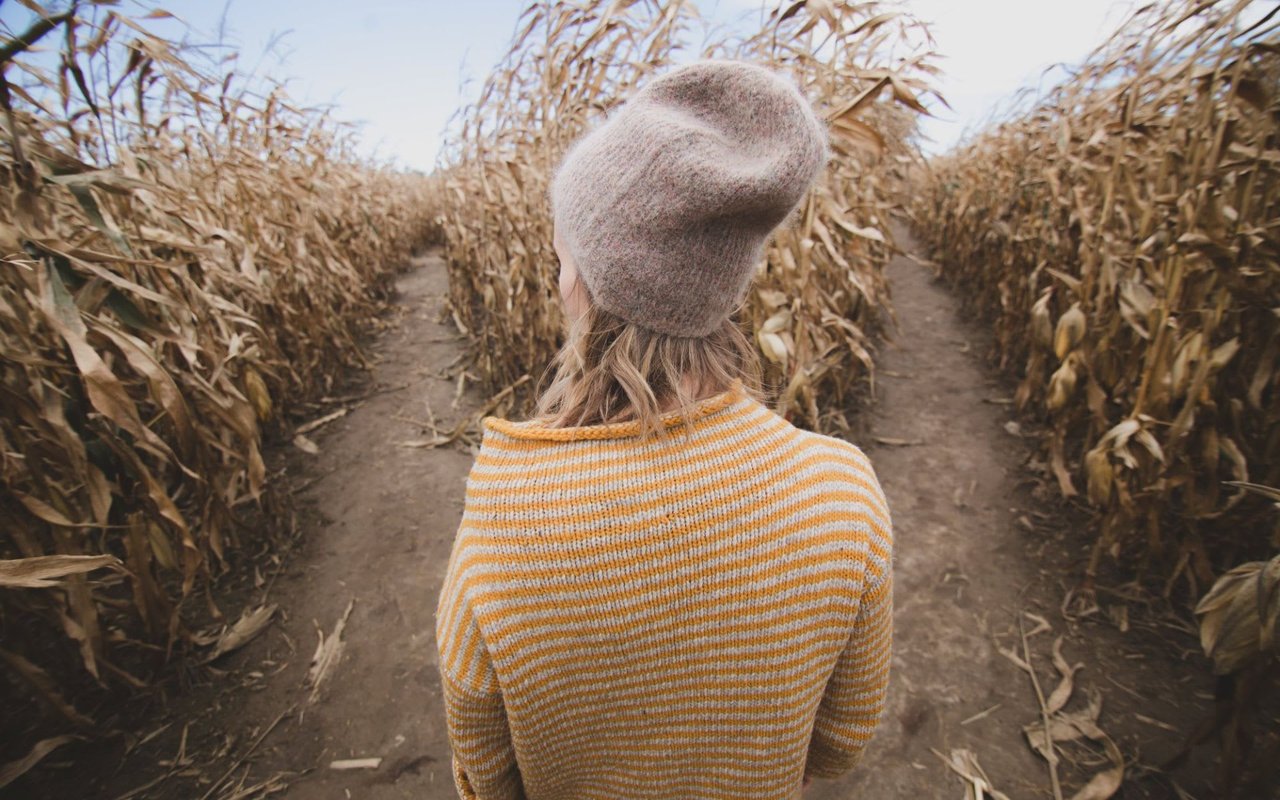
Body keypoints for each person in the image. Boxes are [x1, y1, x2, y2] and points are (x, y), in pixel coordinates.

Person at [434, 58, 894, 800]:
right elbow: (842, 741)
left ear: (590, 284)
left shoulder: (506, 522)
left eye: (563, 259)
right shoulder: (843, 492)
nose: (558, 281)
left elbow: (486, 774)